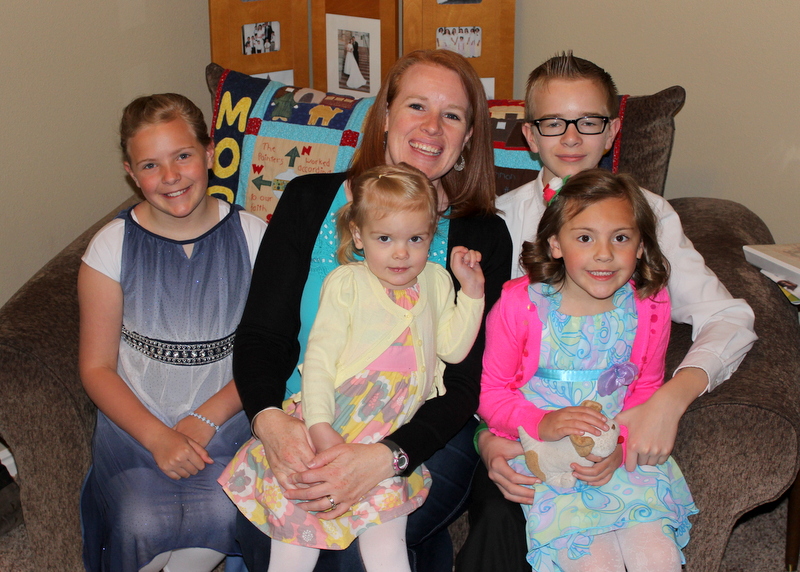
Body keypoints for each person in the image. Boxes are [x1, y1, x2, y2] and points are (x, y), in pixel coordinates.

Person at [455, 51, 757, 572]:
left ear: (613, 130)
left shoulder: (649, 214)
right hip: (518, 426)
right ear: (529, 136)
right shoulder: (496, 219)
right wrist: (486, 440)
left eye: (589, 121)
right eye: (553, 122)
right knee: (500, 517)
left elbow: (729, 318)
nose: (571, 138)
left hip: (611, 427)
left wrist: (669, 401)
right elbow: (473, 353)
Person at [232, 49, 512, 572]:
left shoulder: (482, 236)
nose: (432, 127)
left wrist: (387, 458)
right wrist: (272, 424)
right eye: (416, 106)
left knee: (349, 558)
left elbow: (466, 381)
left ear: (469, 137)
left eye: (452, 115)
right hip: (308, 412)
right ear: (385, 116)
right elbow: (261, 336)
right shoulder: (308, 199)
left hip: (424, 429)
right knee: (269, 534)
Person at [221, 163, 486, 572]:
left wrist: (472, 293)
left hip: (391, 435)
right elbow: (319, 363)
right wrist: (319, 426)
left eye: (415, 239)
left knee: (387, 543)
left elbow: (453, 349)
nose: (401, 252)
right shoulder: (347, 283)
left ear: (431, 236)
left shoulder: (436, 281)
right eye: (385, 238)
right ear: (359, 236)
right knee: (297, 541)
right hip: (338, 419)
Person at [78, 93, 267, 572]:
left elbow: (272, 350)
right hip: (135, 423)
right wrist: (158, 437)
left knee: (223, 509)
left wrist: (207, 418)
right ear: (131, 172)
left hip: (226, 416)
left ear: (209, 153)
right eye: (150, 165)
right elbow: (96, 367)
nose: (170, 176)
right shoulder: (111, 247)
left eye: (183, 155)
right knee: (141, 520)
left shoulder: (253, 237)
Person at [480, 169, 698, 571]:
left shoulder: (650, 304)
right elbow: (491, 395)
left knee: (660, 558)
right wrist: (542, 423)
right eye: (584, 238)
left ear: (641, 245)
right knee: (593, 564)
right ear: (554, 244)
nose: (604, 254)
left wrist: (621, 446)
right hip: (553, 464)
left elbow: (646, 388)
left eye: (621, 238)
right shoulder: (519, 305)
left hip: (621, 459)